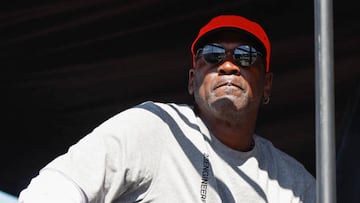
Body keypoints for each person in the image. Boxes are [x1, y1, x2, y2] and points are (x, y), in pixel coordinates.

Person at [18, 14, 315, 203]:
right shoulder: (153, 126)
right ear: (191, 80)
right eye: (211, 56)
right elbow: (54, 188)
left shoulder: (293, 183)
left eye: (246, 56)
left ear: (267, 84)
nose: (227, 66)